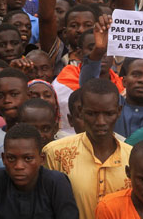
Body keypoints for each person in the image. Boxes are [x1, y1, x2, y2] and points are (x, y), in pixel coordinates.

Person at [43, 78, 134, 219]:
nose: (100, 122)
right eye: (92, 114)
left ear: (119, 111)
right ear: (80, 111)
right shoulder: (55, 153)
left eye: (108, 114)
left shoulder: (133, 157)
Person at [0, 123, 78, 219]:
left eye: (28, 158)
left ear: (42, 159)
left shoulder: (56, 182)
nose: (19, 166)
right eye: (11, 158)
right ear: (4, 159)